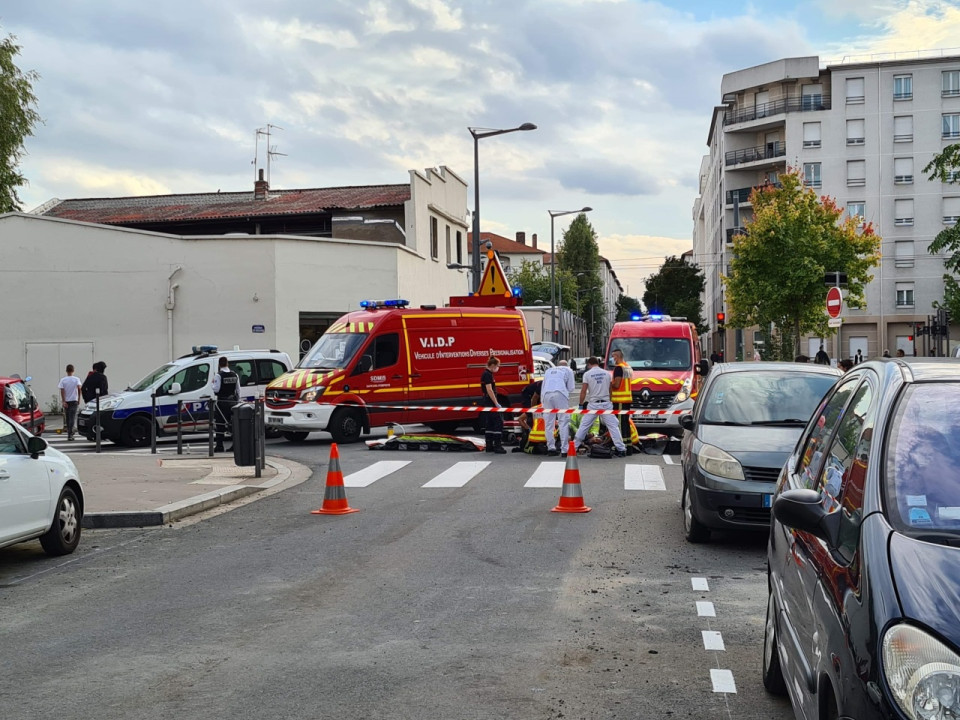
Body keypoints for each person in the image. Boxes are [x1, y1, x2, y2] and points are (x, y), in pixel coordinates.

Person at [574, 357, 626, 457]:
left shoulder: (587, 374)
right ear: (598, 363)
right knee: (613, 426)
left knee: (584, 426)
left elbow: (584, 391)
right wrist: (609, 401)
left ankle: (574, 447)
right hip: (606, 403)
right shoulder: (607, 373)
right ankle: (621, 449)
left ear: (589, 364)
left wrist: (581, 404)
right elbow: (610, 389)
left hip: (593, 404)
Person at [541, 359, 576, 456]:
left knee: (549, 423)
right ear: (566, 365)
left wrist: (542, 402)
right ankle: (564, 450)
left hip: (546, 395)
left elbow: (543, 386)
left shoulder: (548, 371)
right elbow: (571, 388)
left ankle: (551, 448)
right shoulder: (568, 370)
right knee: (563, 422)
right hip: (560, 393)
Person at [211, 356, 239, 452]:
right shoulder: (235, 375)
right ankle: (235, 445)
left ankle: (219, 446)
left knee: (220, 424)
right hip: (233, 402)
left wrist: (212, 384)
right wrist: (237, 401)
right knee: (233, 425)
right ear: (227, 364)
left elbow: (216, 389)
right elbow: (238, 390)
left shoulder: (218, 376)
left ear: (219, 365)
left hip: (222, 402)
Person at [610, 348, 635, 454]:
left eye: (613, 356)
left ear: (618, 356)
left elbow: (616, 384)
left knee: (619, 424)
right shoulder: (628, 367)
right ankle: (628, 446)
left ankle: (621, 447)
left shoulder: (619, 368)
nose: (612, 358)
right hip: (627, 398)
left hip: (619, 400)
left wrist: (609, 382)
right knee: (625, 423)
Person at [480, 356, 506, 454]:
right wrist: (496, 403)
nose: (498, 368)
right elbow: (489, 390)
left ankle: (489, 445)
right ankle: (497, 446)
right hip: (490, 401)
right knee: (498, 422)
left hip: (487, 401)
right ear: (493, 365)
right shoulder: (487, 375)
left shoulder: (486, 373)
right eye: (497, 366)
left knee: (490, 423)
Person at [58, 364, 83, 440]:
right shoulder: (76, 379)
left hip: (67, 401)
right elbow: (79, 389)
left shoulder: (63, 380)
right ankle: (70, 434)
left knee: (68, 417)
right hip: (74, 400)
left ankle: (70, 432)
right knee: (72, 417)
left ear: (66, 371)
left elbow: (62, 391)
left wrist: (63, 401)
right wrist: (79, 399)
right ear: (73, 370)